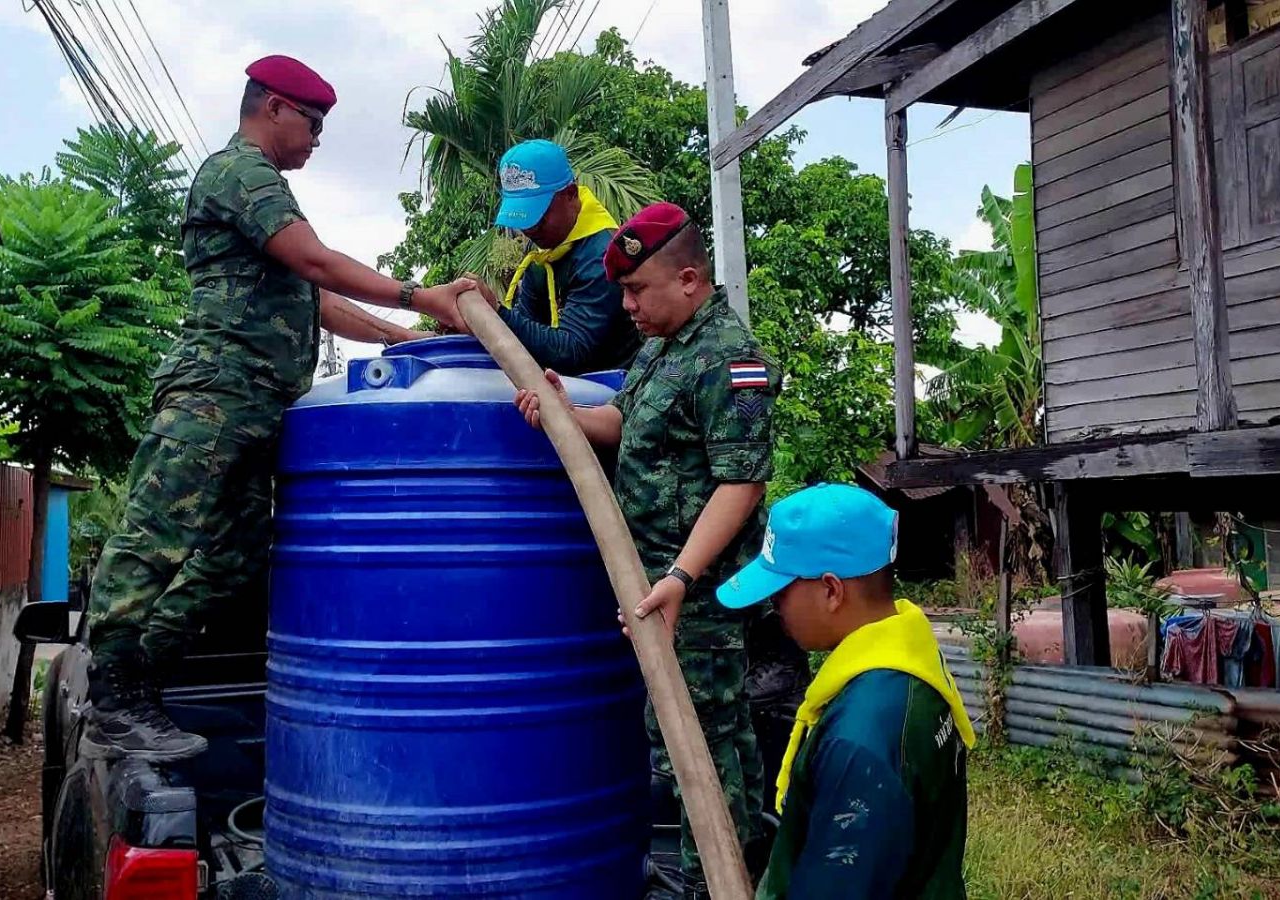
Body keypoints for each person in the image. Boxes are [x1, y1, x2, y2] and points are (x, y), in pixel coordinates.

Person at [82, 54, 474, 761]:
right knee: (154, 537)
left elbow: (315, 298)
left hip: (258, 407)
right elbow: (318, 263)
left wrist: (410, 337)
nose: (318, 139)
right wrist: (423, 296)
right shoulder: (240, 173)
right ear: (272, 107)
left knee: (235, 557)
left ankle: (143, 682)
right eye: (313, 123)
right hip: (214, 397)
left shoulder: (264, 191)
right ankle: (111, 696)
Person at [514, 202, 776, 899]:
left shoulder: (732, 359)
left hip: (699, 595)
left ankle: (714, 883)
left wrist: (682, 577)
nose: (625, 306)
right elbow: (625, 422)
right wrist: (566, 413)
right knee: (706, 740)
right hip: (655, 582)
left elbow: (743, 482)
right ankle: (739, 875)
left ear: (689, 280)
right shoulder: (662, 346)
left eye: (636, 290)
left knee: (699, 746)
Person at [716, 483, 976, 900]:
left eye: (781, 591)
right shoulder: (913, 667)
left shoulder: (861, 737)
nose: (773, 606)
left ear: (831, 590)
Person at [466, 139, 641, 374]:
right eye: (523, 218)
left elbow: (573, 351)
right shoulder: (544, 250)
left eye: (538, 215)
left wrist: (496, 313)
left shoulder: (601, 255)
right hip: (567, 383)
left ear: (570, 194)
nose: (530, 229)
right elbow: (527, 324)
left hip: (613, 386)